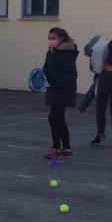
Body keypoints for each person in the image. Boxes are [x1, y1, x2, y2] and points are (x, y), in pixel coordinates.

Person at [41, 27, 78, 159]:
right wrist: (41, 79)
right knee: (57, 118)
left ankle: (57, 148)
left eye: (53, 38)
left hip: (63, 90)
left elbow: (71, 74)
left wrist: (56, 84)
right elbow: (45, 69)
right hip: (53, 89)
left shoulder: (66, 54)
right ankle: (66, 148)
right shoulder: (50, 52)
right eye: (49, 38)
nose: (51, 41)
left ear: (61, 39)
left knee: (55, 118)